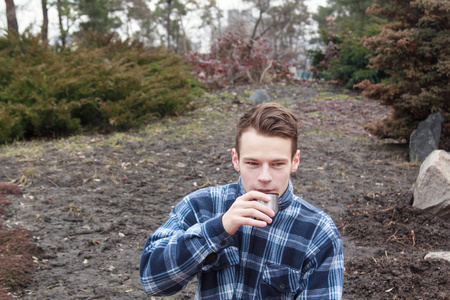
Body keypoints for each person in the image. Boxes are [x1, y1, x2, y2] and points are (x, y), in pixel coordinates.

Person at [139, 102, 344, 299]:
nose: (264, 177)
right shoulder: (202, 207)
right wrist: (217, 228)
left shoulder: (318, 232)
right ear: (236, 160)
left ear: (295, 161)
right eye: (253, 163)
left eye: (277, 164)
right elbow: (151, 280)